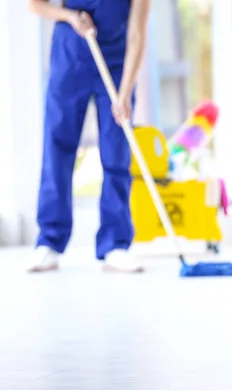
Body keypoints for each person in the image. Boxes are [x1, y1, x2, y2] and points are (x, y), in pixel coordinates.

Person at [27, 0, 151, 273]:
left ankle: (116, 244)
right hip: (70, 58)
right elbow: (35, 5)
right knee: (57, 148)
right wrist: (69, 16)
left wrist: (125, 89)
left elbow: (137, 32)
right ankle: (49, 240)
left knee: (117, 149)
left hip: (117, 65)